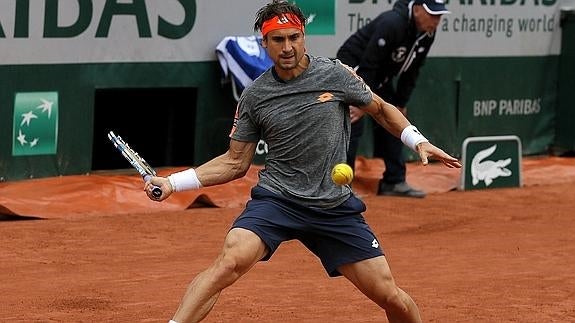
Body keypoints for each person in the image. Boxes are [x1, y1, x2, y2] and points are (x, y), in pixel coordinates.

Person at [145, 1, 461, 322]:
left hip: (333, 208)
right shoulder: (256, 96)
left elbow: (379, 108)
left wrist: (417, 139)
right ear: (264, 43)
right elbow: (235, 162)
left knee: (389, 295)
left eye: (294, 37)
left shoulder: (335, 74)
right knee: (230, 261)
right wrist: (173, 183)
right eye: (278, 40)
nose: (287, 47)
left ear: (303, 37)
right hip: (278, 201)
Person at [336, 0, 451, 198]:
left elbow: (412, 71)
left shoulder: (427, 34)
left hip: (381, 76)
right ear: (416, 10)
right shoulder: (392, 23)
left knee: (395, 118)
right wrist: (363, 101)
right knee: (353, 120)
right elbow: (368, 64)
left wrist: (401, 102)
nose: (436, 21)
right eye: (432, 14)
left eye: (439, 16)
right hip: (355, 69)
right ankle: (342, 188)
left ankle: (394, 181)